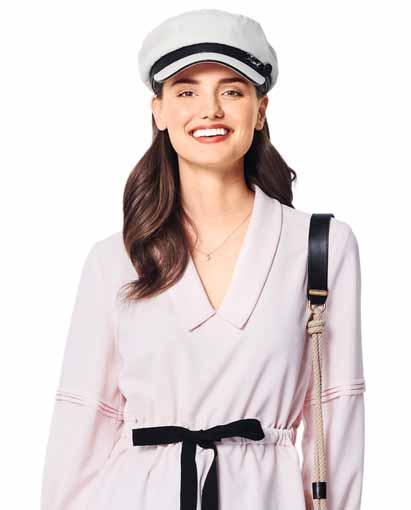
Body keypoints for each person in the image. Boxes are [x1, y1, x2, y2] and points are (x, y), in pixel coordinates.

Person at [40, 8, 366, 510]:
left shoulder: (320, 247)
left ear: (260, 110)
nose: (209, 110)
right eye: (186, 91)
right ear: (158, 111)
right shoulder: (115, 259)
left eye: (231, 91)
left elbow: (336, 410)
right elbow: (84, 419)